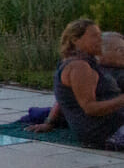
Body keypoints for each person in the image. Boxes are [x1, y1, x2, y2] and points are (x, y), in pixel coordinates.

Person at [31, 19, 124, 149]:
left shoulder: (83, 63)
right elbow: (90, 108)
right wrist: (120, 100)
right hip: (105, 131)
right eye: (94, 36)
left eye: (99, 35)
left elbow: (62, 101)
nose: (100, 40)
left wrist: (50, 122)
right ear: (75, 40)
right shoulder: (79, 67)